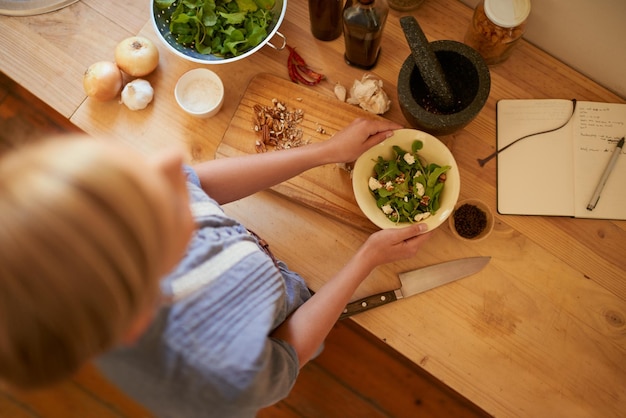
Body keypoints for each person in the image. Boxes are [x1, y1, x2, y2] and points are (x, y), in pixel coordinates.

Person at [0, 118, 431, 417]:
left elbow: (197, 183)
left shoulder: (107, 231)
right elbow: (289, 349)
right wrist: (366, 259)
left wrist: (326, 151)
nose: (171, 164)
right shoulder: (221, 381)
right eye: (152, 205)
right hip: (289, 313)